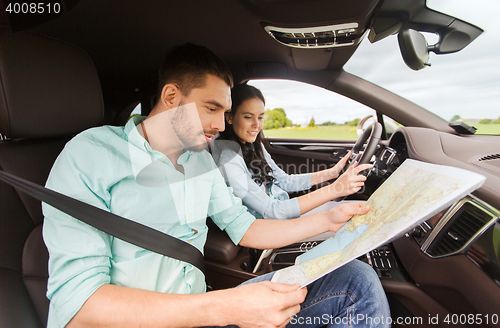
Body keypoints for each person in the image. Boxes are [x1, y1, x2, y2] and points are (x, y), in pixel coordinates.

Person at [42, 43, 390, 328]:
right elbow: (81, 306)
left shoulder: (201, 161)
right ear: (172, 96)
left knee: (355, 281)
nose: (220, 125)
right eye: (211, 108)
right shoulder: (91, 155)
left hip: (200, 313)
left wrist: (328, 220)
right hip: (149, 320)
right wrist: (227, 306)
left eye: (224, 112)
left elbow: (244, 227)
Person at [213, 84, 372, 220]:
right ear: (230, 118)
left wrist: (332, 173)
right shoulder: (228, 159)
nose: (256, 125)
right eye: (248, 117)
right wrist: (335, 188)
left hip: (284, 211)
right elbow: (271, 211)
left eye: (260, 117)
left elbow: (284, 181)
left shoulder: (253, 146)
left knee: (362, 210)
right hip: (271, 225)